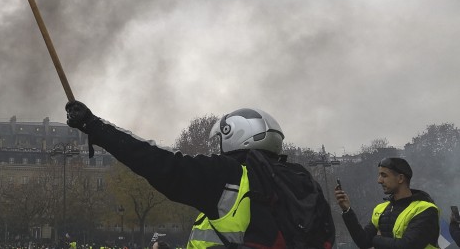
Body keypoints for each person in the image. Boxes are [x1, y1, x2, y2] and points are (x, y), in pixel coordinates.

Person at [65, 102, 335, 249]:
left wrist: (95, 127)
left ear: (235, 136)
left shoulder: (229, 174)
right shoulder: (304, 181)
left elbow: (156, 163)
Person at [334, 157, 439, 249]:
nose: (379, 180)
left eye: (384, 175)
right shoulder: (380, 209)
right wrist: (347, 210)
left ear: (400, 178)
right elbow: (364, 242)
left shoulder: (426, 209)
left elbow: (407, 246)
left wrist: (376, 240)